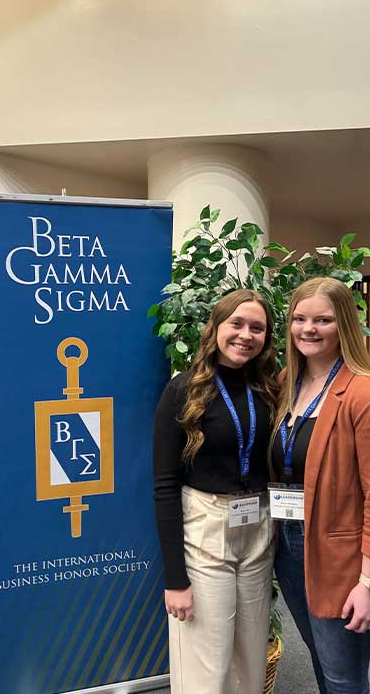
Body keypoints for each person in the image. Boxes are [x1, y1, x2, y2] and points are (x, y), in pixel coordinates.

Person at [153, 289, 278, 694]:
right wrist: (175, 579)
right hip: (205, 529)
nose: (246, 335)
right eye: (236, 324)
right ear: (216, 328)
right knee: (207, 664)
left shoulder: (269, 389)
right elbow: (165, 486)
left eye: (257, 328)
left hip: (257, 527)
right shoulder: (184, 390)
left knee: (250, 657)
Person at [271, 276, 370, 694]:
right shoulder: (283, 383)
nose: (308, 329)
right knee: (319, 657)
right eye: (299, 318)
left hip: (340, 554)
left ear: (343, 324)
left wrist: (366, 583)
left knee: (344, 676)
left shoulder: (362, 391)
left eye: (323, 320)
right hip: (288, 544)